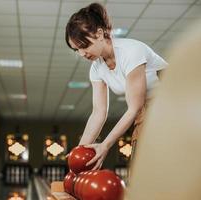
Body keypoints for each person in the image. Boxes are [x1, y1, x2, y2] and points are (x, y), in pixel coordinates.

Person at [65, 3, 168, 170]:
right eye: (76, 49)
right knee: (139, 171)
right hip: (147, 111)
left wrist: (105, 145)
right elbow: (98, 113)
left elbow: (134, 108)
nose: (82, 53)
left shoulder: (131, 52)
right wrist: (79, 151)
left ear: (99, 33)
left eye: (84, 45)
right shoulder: (96, 68)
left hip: (176, 104)